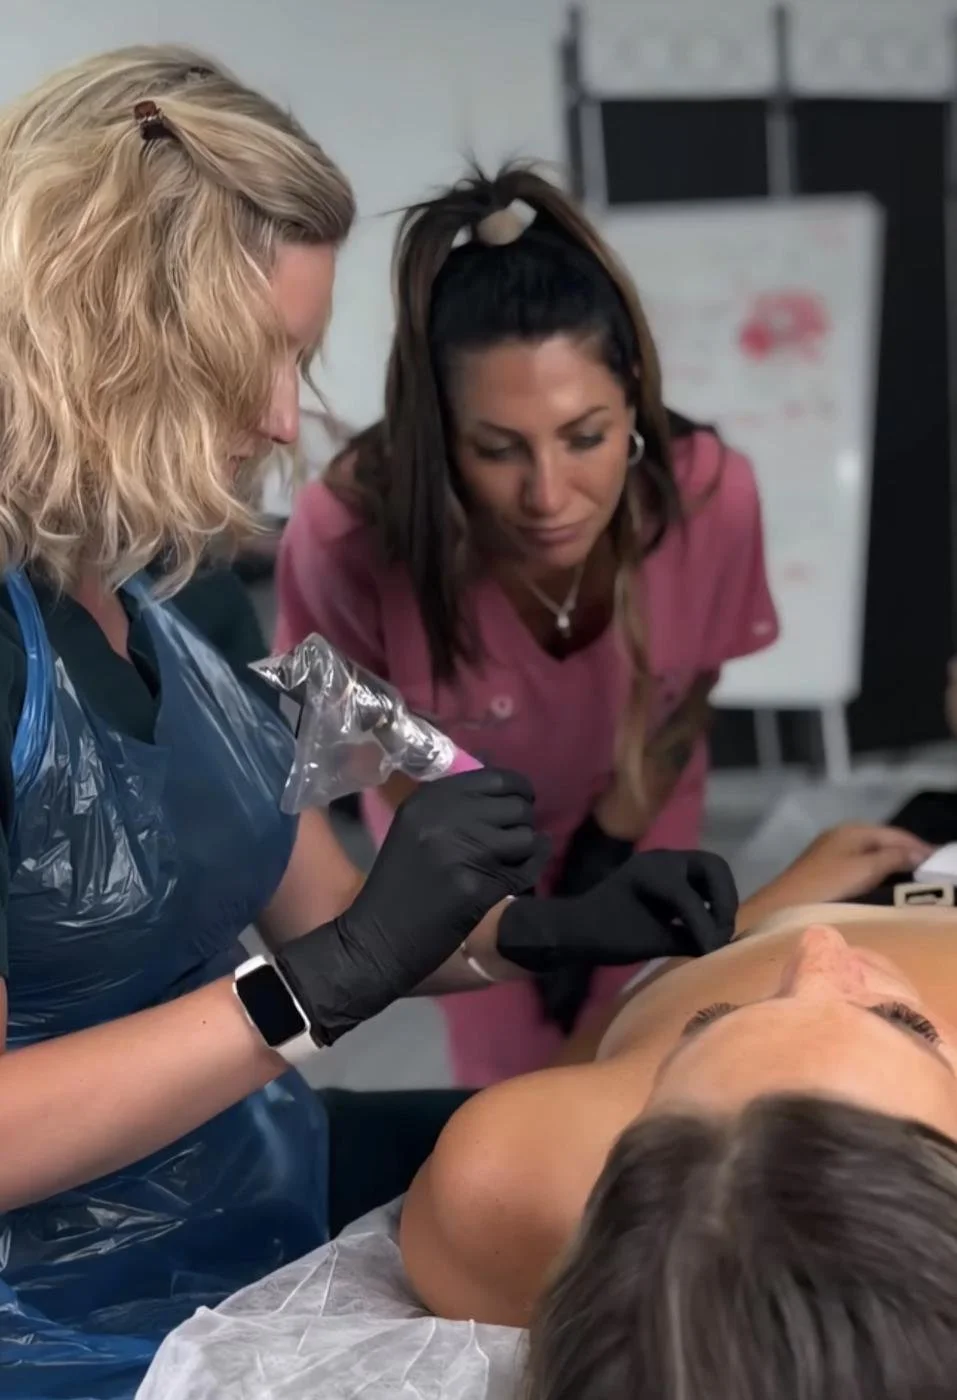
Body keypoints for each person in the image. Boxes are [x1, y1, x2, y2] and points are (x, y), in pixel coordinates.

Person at [0, 47, 740, 1399]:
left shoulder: (176, 612)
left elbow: (342, 912)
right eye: (259, 360)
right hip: (63, 1320)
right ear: (105, 329)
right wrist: (322, 984)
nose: (283, 418)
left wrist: (558, 925)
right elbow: (320, 967)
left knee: (696, 1185)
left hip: (257, 1174)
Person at [275, 163, 779, 1086]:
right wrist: (521, 906)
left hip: (633, 808)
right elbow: (362, 743)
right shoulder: (347, 530)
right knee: (518, 1094)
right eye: (497, 450)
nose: (548, 496)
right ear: (437, 431)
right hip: (454, 842)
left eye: (585, 437)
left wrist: (607, 849)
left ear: (632, 395)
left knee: (663, 1058)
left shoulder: (710, 493)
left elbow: (691, 683)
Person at [398, 822, 957, 1399]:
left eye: (710, 1021)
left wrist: (777, 904)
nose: (818, 944)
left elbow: (598, 1054)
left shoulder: (506, 1180)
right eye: (902, 1022)